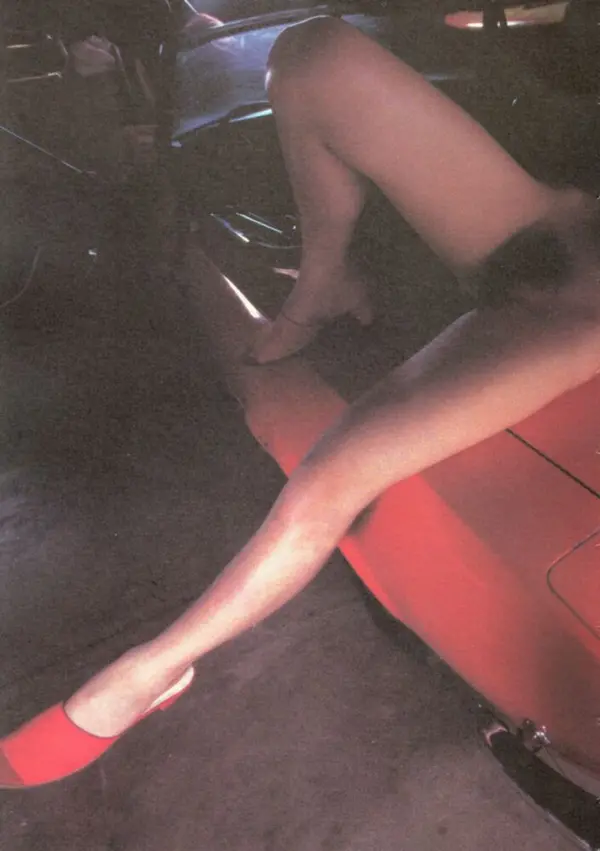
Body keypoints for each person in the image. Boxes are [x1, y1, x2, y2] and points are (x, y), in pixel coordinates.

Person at [2, 15, 600, 789]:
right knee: (314, 52)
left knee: (329, 480)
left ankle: (148, 670)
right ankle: (324, 281)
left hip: (580, 313)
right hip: (569, 225)